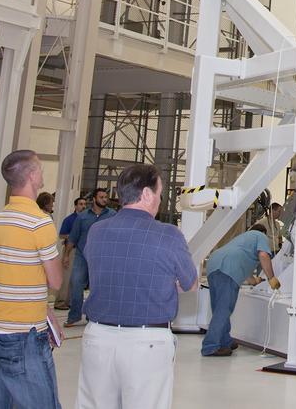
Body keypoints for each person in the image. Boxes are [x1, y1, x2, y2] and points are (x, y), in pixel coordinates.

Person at [75, 164, 197, 409]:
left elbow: (102, 270)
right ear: (147, 194)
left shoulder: (97, 231)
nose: (161, 200)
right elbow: (191, 284)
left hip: (97, 338)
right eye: (160, 193)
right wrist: (162, 282)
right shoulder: (169, 235)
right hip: (147, 342)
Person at [0, 150, 64, 409]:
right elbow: (56, 281)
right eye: (39, 168)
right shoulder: (40, 223)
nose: (42, 174)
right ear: (31, 175)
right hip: (24, 334)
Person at [201, 223, 278, 357]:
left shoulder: (242, 239)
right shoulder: (260, 236)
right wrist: (271, 278)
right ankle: (210, 346)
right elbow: (264, 255)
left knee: (219, 308)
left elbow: (245, 268)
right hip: (228, 269)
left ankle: (225, 341)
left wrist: (255, 281)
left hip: (214, 264)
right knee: (224, 309)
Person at [65, 188, 114, 326]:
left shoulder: (112, 215)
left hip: (102, 256)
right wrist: (67, 255)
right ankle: (74, 315)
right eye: (101, 197)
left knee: (97, 287)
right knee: (76, 284)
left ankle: (92, 315)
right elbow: (73, 237)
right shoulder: (82, 216)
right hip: (82, 255)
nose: (105, 199)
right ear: (94, 199)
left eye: (106, 197)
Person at [55, 197, 87, 311]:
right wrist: (73, 236)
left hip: (82, 251)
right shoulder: (69, 219)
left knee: (77, 278)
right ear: (76, 206)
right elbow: (62, 235)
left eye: (84, 204)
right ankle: (61, 301)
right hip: (71, 250)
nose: (83, 206)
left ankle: (73, 302)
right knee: (66, 277)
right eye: (81, 204)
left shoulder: (85, 219)